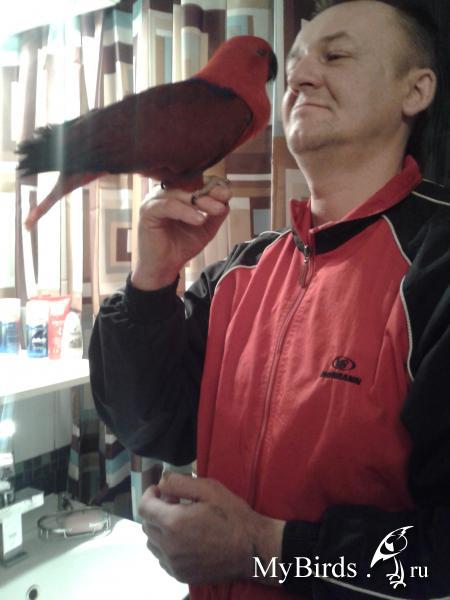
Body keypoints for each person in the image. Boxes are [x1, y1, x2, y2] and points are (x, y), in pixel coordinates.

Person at [89, 0, 450, 598]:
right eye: (297, 61)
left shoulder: (436, 270)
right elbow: (150, 427)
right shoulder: (240, 271)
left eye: (335, 55)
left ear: (415, 90)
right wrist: (150, 280)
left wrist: (263, 547)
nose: (299, 76)